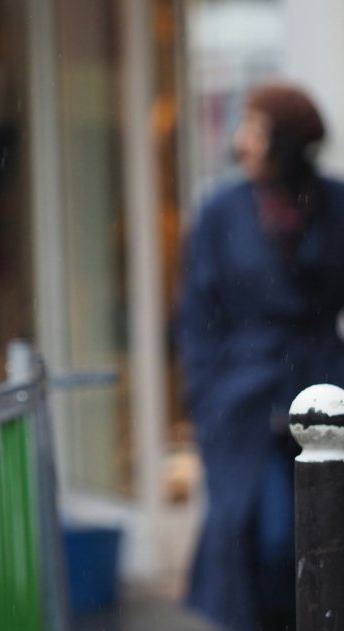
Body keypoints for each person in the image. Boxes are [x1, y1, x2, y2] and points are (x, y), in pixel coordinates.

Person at [180, 83, 344, 631]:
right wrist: (207, 399)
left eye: (255, 130)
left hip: (323, 388)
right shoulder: (221, 212)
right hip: (242, 398)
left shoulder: (335, 202)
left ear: (289, 144)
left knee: (323, 533)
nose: (241, 142)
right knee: (263, 542)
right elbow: (198, 319)